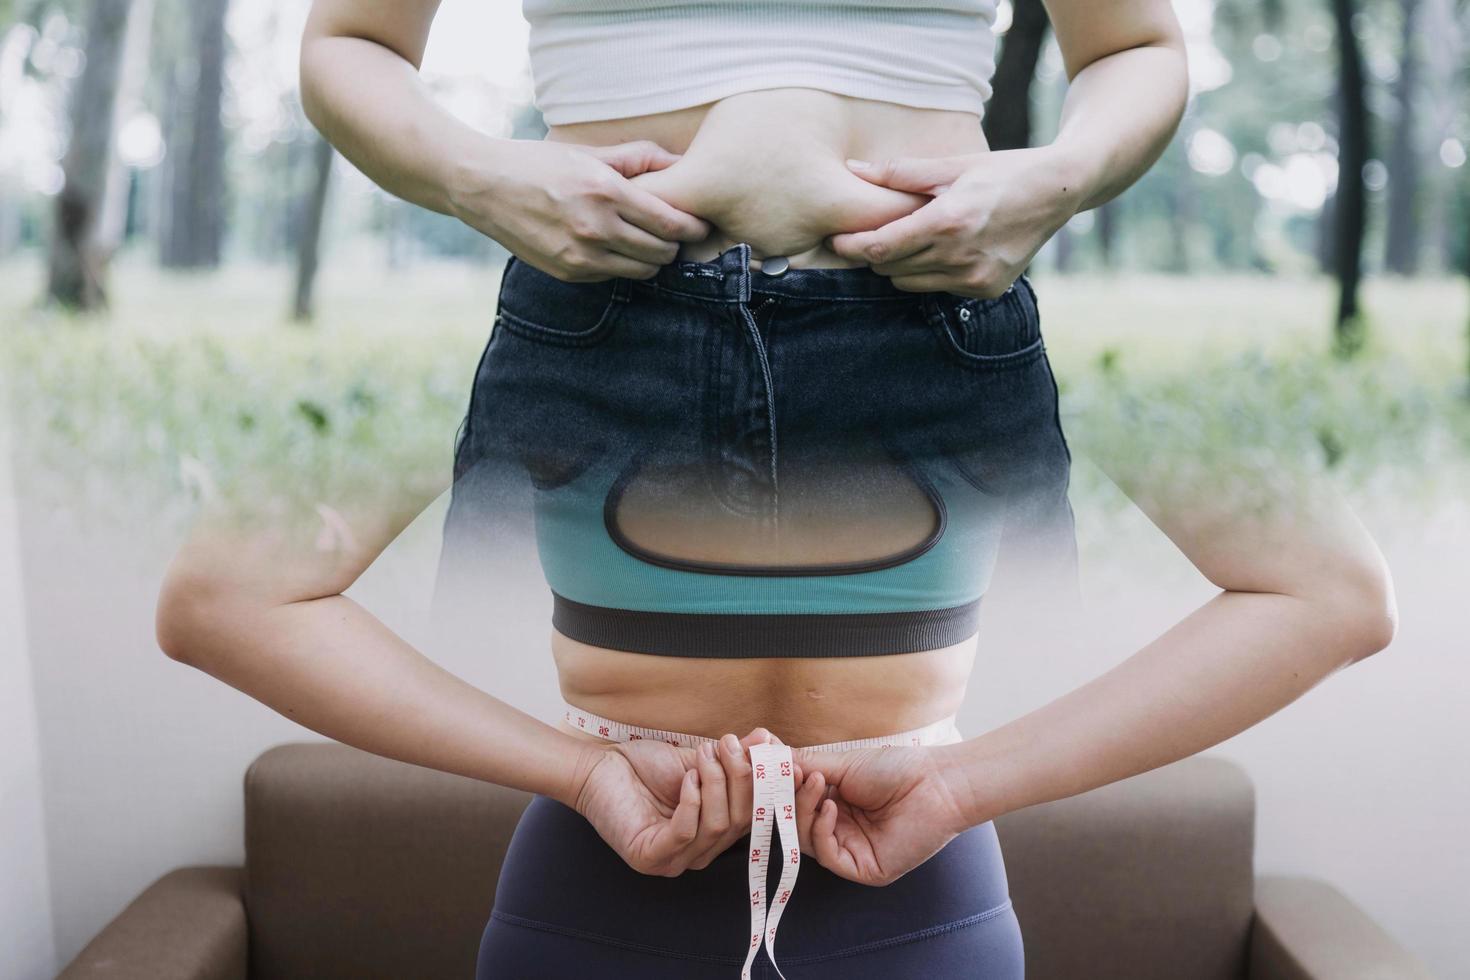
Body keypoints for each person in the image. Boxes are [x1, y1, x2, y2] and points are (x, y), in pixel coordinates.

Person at [155, 1, 1399, 978]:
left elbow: (1135, 45)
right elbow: (220, 598)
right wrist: (490, 180)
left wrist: (1052, 180)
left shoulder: (1041, 356)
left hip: (941, 307)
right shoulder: (504, 359)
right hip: (591, 303)